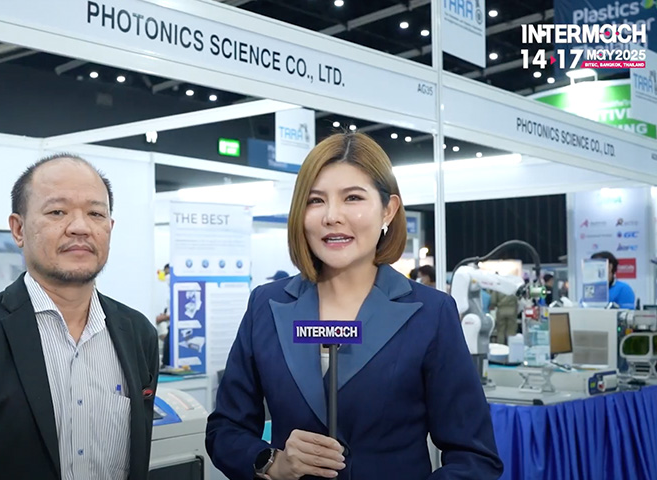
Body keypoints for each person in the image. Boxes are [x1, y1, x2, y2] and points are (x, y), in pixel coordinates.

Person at [205, 133, 502, 480]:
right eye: (316, 200)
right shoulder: (266, 306)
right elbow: (226, 429)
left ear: (388, 210)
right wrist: (272, 461)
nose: (332, 216)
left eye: (353, 198)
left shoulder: (430, 313)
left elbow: (474, 458)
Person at [0, 155, 159, 480]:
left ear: (109, 228)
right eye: (57, 212)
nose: (80, 227)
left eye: (96, 213)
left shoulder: (138, 335)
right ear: (18, 229)